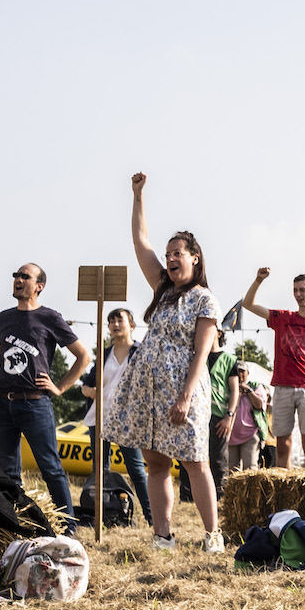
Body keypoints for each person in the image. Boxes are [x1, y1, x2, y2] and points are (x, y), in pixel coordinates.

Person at [110, 173, 224, 552]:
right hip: (148, 388)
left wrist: (186, 396)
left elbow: (202, 352)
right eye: (169, 253)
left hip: (184, 389)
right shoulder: (162, 290)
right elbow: (139, 242)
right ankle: (163, 536)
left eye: (179, 253)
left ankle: (213, 535)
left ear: (195, 258)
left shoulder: (205, 299)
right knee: (155, 464)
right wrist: (138, 196)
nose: (172, 258)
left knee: (195, 462)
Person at [0, 263, 90, 532]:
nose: (18, 280)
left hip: (34, 403)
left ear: (39, 286)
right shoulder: (4, 318)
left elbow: (83, 356)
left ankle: (68, 529)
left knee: (51, 468)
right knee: (8, 473)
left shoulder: (50, 318)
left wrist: (60, 387)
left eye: (25, 276)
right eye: (16, 276)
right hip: (1, 404)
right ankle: (15, 525)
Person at [242, 269, 305, 470]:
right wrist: (258, 280)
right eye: (295, 290)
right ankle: (285, 489)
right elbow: (248, 304)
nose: (298, 295)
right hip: (282, 387)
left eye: (303, 290)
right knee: (283, 444)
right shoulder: (283, 318)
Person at [79, 307, 153, 525]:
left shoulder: (141, 351)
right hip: (100, 417)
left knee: (136, 469)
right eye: (110, 321)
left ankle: (152, 518)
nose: (114, 324)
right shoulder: (103, 354)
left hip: (129, 419)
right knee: (100, 469)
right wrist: (91, 392)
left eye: (119, 319)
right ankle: (106, 514)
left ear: (131, 324)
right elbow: (86, 385)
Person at [206, 333, 242, 493]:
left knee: (218, 460)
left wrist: (229, 416)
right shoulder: (198, 355)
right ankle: (188, 496)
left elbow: (235, 391)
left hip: (219, 417)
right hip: (198, 415)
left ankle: (219, 494)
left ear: (219, 332)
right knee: (191, 457)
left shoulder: (230, 360)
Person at [225, 365, 269, 475]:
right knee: (231, 471)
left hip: (250, 435)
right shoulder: (228, 386)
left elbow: (260, 405)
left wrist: (248, 391)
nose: (240, 374)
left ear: (247, 373)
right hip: (231, 435)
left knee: (250, 470)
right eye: (237, 371)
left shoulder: (255, 386)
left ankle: (250, 493)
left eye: (242, 371)